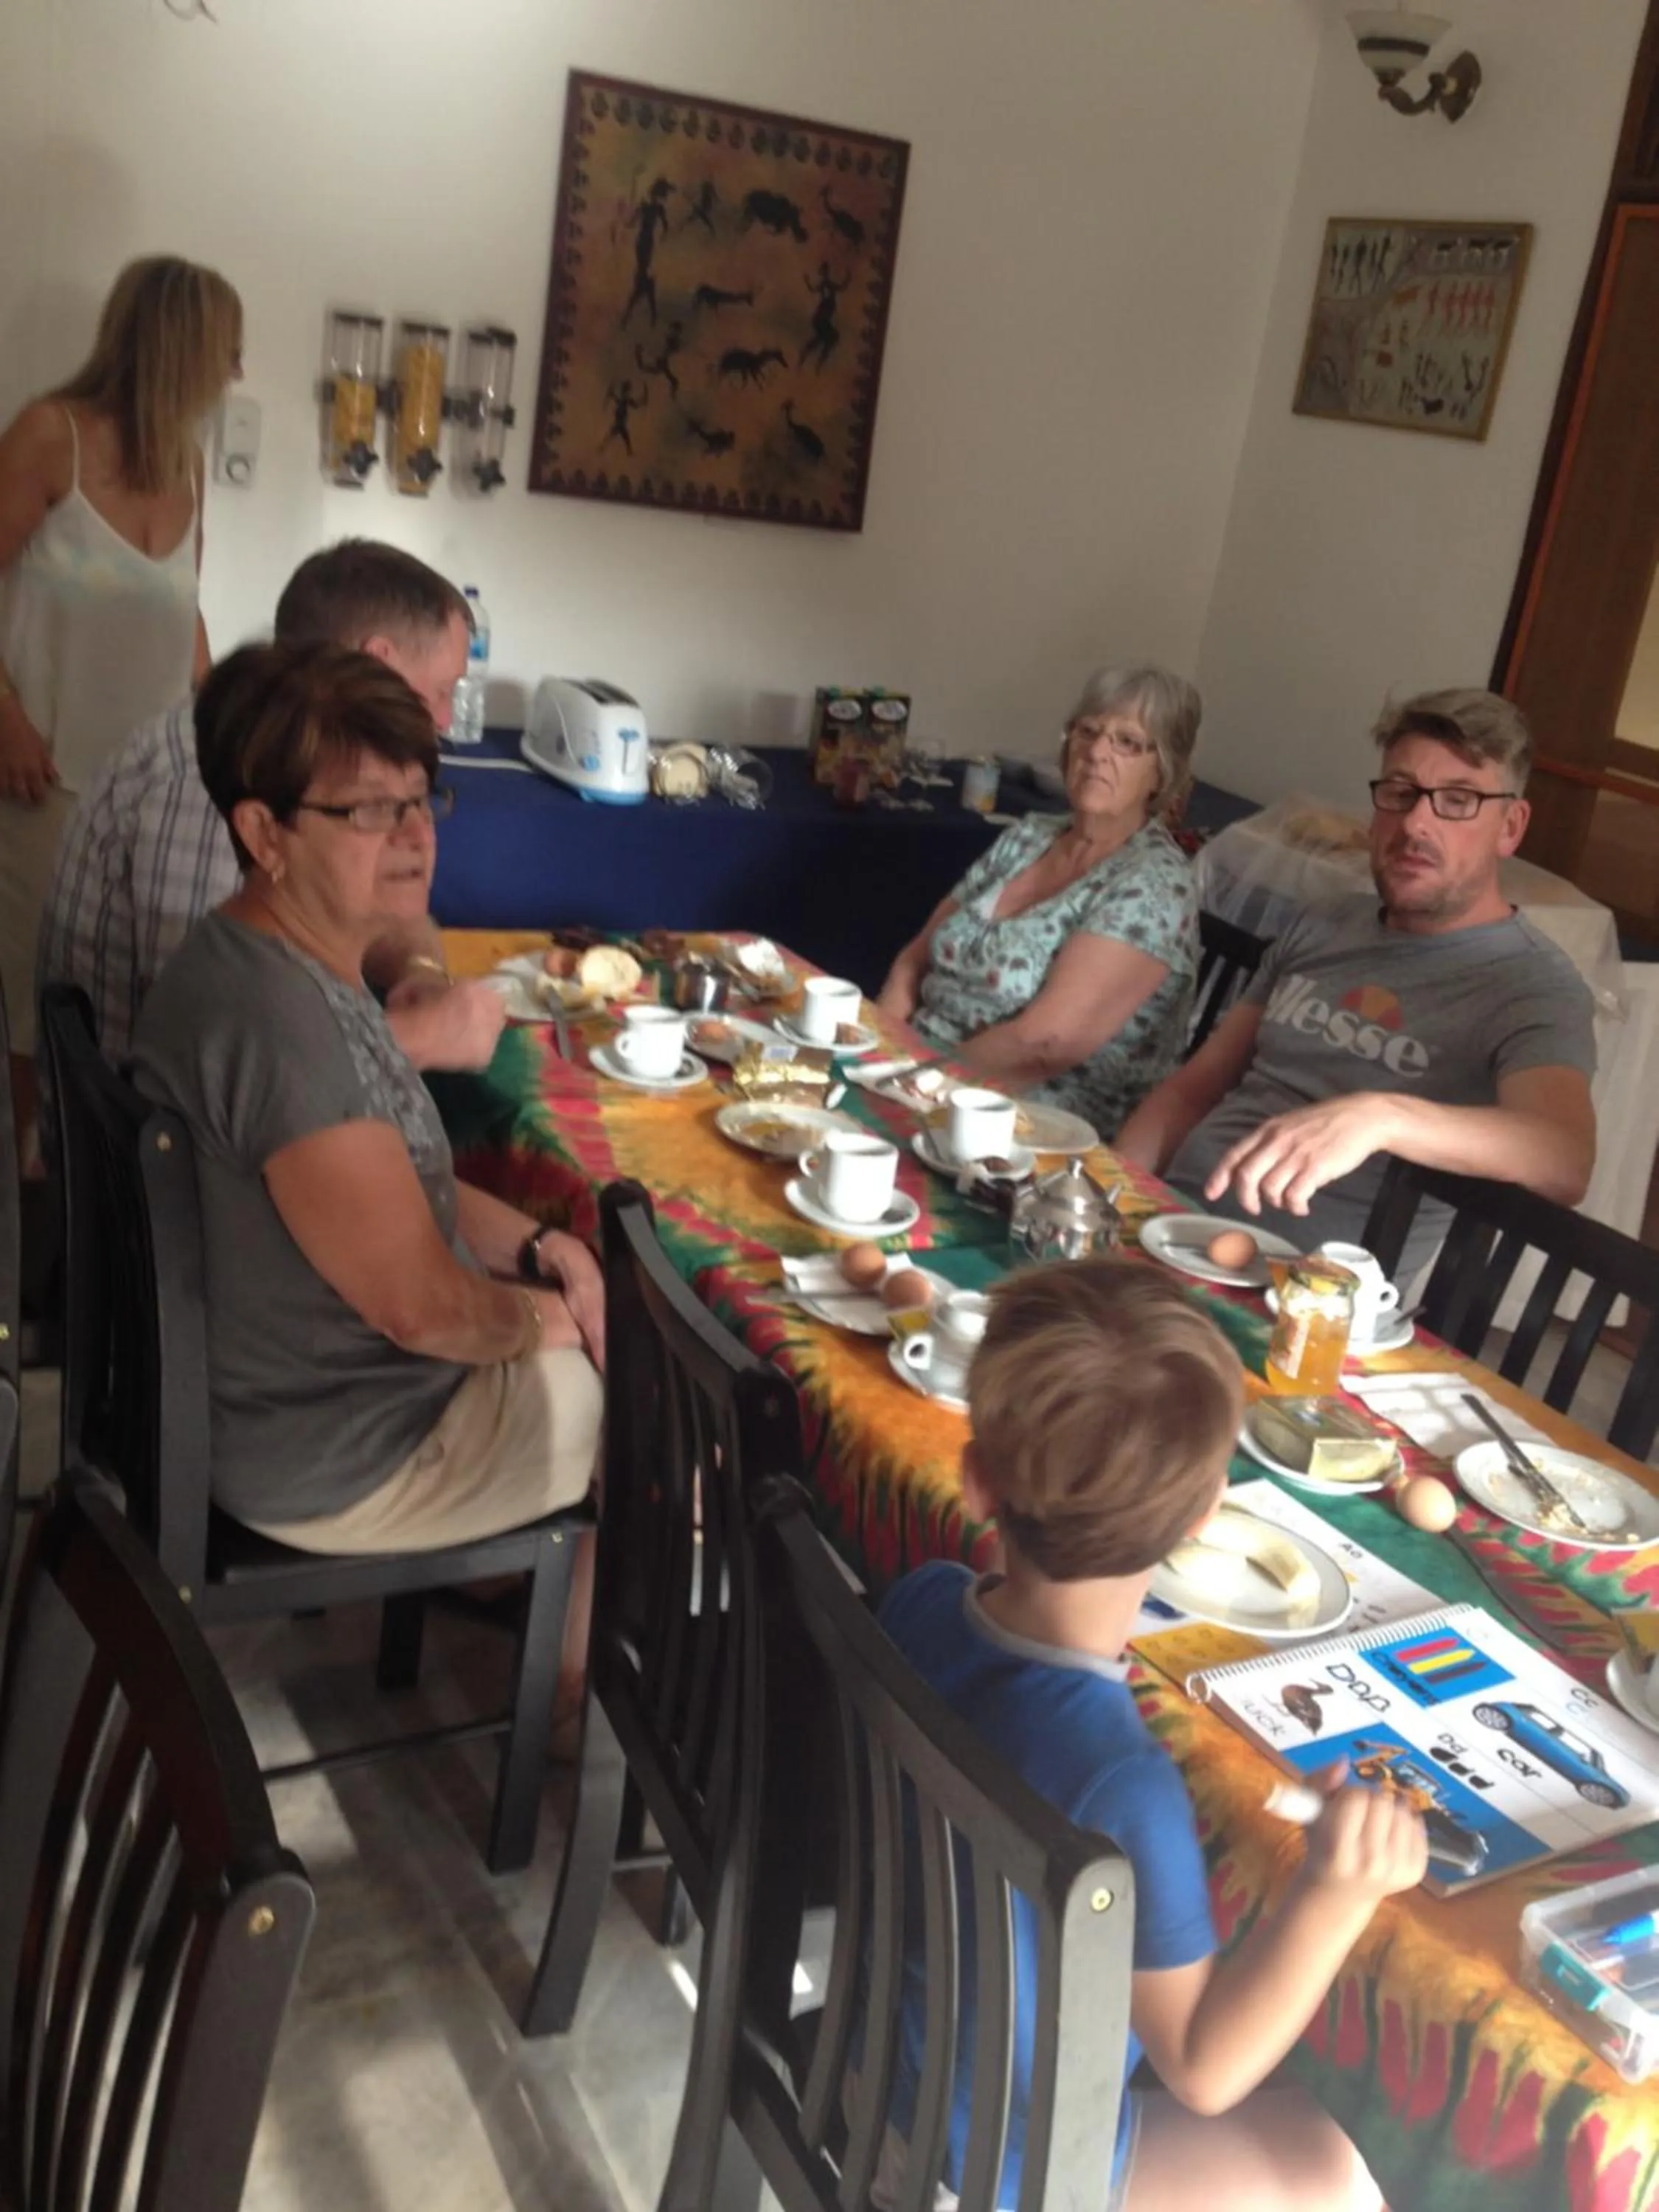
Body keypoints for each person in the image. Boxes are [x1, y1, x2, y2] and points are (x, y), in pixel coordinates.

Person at [877, 1260, 1425, 2212]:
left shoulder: (918, 1601)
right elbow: (1206, 2070)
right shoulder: (1121, 1787)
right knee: (1336, 2171)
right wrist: (1336, 1890)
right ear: (1202, 1520)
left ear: (974, 1484)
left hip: (883, 2067)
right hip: (994, 2172)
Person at [131, 639, 601, 1550]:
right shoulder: (278, 1026)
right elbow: (419, 1308)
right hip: (341, 1455)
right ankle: (578, 1669)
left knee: (614, 1308)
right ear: (265, 834)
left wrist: (546, 1249)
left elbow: (392, 1181)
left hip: (308, 1403)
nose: (415, 835)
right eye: (368, 812)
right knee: (674, 1409)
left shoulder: (286, 957)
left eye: (421, 800)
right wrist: (560, 1319)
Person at [1116, 690, 1596, 1279]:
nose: (1417, 822)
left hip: (1303, 1304)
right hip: (1170, 1232)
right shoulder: (1325, 921)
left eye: (1458, 800)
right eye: (1400, 792)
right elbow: (1194, 1090)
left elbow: (1564, 1157)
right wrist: (1113, 1194)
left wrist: (1382, 1117)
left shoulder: (1530, 985)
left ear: (1510, 827)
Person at [38, 537, 503, 1072]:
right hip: (152, 1144)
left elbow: (374, 912)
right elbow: (210, 1051)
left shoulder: (294, 761)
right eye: (442, 690)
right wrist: (417, 1037)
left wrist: (417, 971)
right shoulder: (207, 779)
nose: (445, 721)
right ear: (378, 662)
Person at [0, 254, 243, 1143]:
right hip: (46, 779)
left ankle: (100, 1191)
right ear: (181, 346)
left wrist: (228, 725)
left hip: (156, 786)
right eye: (230, 351)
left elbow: (184, 613)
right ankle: (25, 1203)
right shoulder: (45, 436)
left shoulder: (188, 463)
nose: (236, 374)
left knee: (138, 1003)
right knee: (35, 1007)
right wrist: (7, 719)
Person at [877, 666, 1201, 1138]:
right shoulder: (1031, 835)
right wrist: (873, 1049)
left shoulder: (1154, 885)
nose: (1096, 752)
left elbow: (1045, 1044)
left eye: (1127, 742)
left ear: (1162, 770)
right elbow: (915, 959)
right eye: (1088, 731)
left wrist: (913, 1083)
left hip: (1026, 1122)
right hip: (920, 1077)